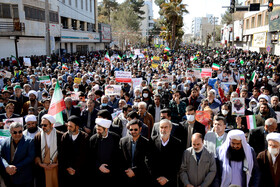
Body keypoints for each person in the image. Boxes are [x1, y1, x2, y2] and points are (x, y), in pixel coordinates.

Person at [88, 110, 121, 187]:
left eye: (99, 130)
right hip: (97, 173)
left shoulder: (115, 138)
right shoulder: (93, 139)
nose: (97, 132)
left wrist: (109, 168)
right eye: (96, 129)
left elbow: (118, 157)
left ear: (106, 129)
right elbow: (90, 156)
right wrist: (99, 166)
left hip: (111, 173)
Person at [150, 119, 184, 187]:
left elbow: (177, 163)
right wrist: (158, 177)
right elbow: (148, 160)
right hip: (155, 180)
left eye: (166, 127)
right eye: (161, 127)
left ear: (170, 128)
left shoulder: (177, 143)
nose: (163, 130)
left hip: (170, 181)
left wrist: (167, 178)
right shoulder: (152, 141)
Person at [119, 119, 152, 187]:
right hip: (125, 175)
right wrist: (127, 171)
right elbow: (120, 159)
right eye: (131, 130)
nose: (133, 131)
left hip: (140, 177)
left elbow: (147, 162)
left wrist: (134, 171)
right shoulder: (123, 141)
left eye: (135, 129)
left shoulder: (147, 143)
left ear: (140, 129)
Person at [1, 122, 35, 187]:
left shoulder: (29, 141)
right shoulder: (4, 142)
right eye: (15, 132)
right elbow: (1, 156)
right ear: (10, 132)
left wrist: (15, 167)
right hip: (9, 178)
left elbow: (30, 157)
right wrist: (7, 166)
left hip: (24, 178)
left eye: (20, 132)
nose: (18, 134)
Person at [34, 114, 63, 187]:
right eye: (42, 125)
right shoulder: (38, 136)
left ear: (51, 124)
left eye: (45, 125)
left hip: (56, 167)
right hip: (43, 168)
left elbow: (63, 153)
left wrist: (56, 164)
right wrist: (40, 164)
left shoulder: (60, 135)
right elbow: (36, 153)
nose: (43, 127)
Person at [60, 115, 89, 187]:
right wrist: (67, 167)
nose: (68, 128)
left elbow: (85, 156)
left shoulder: (85, 137)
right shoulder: (65, 136)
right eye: (68, 126)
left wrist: (76, 169)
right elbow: (62, 154)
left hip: (80, 172)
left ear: (77, 127)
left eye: (71, 126)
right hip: (67, 171)